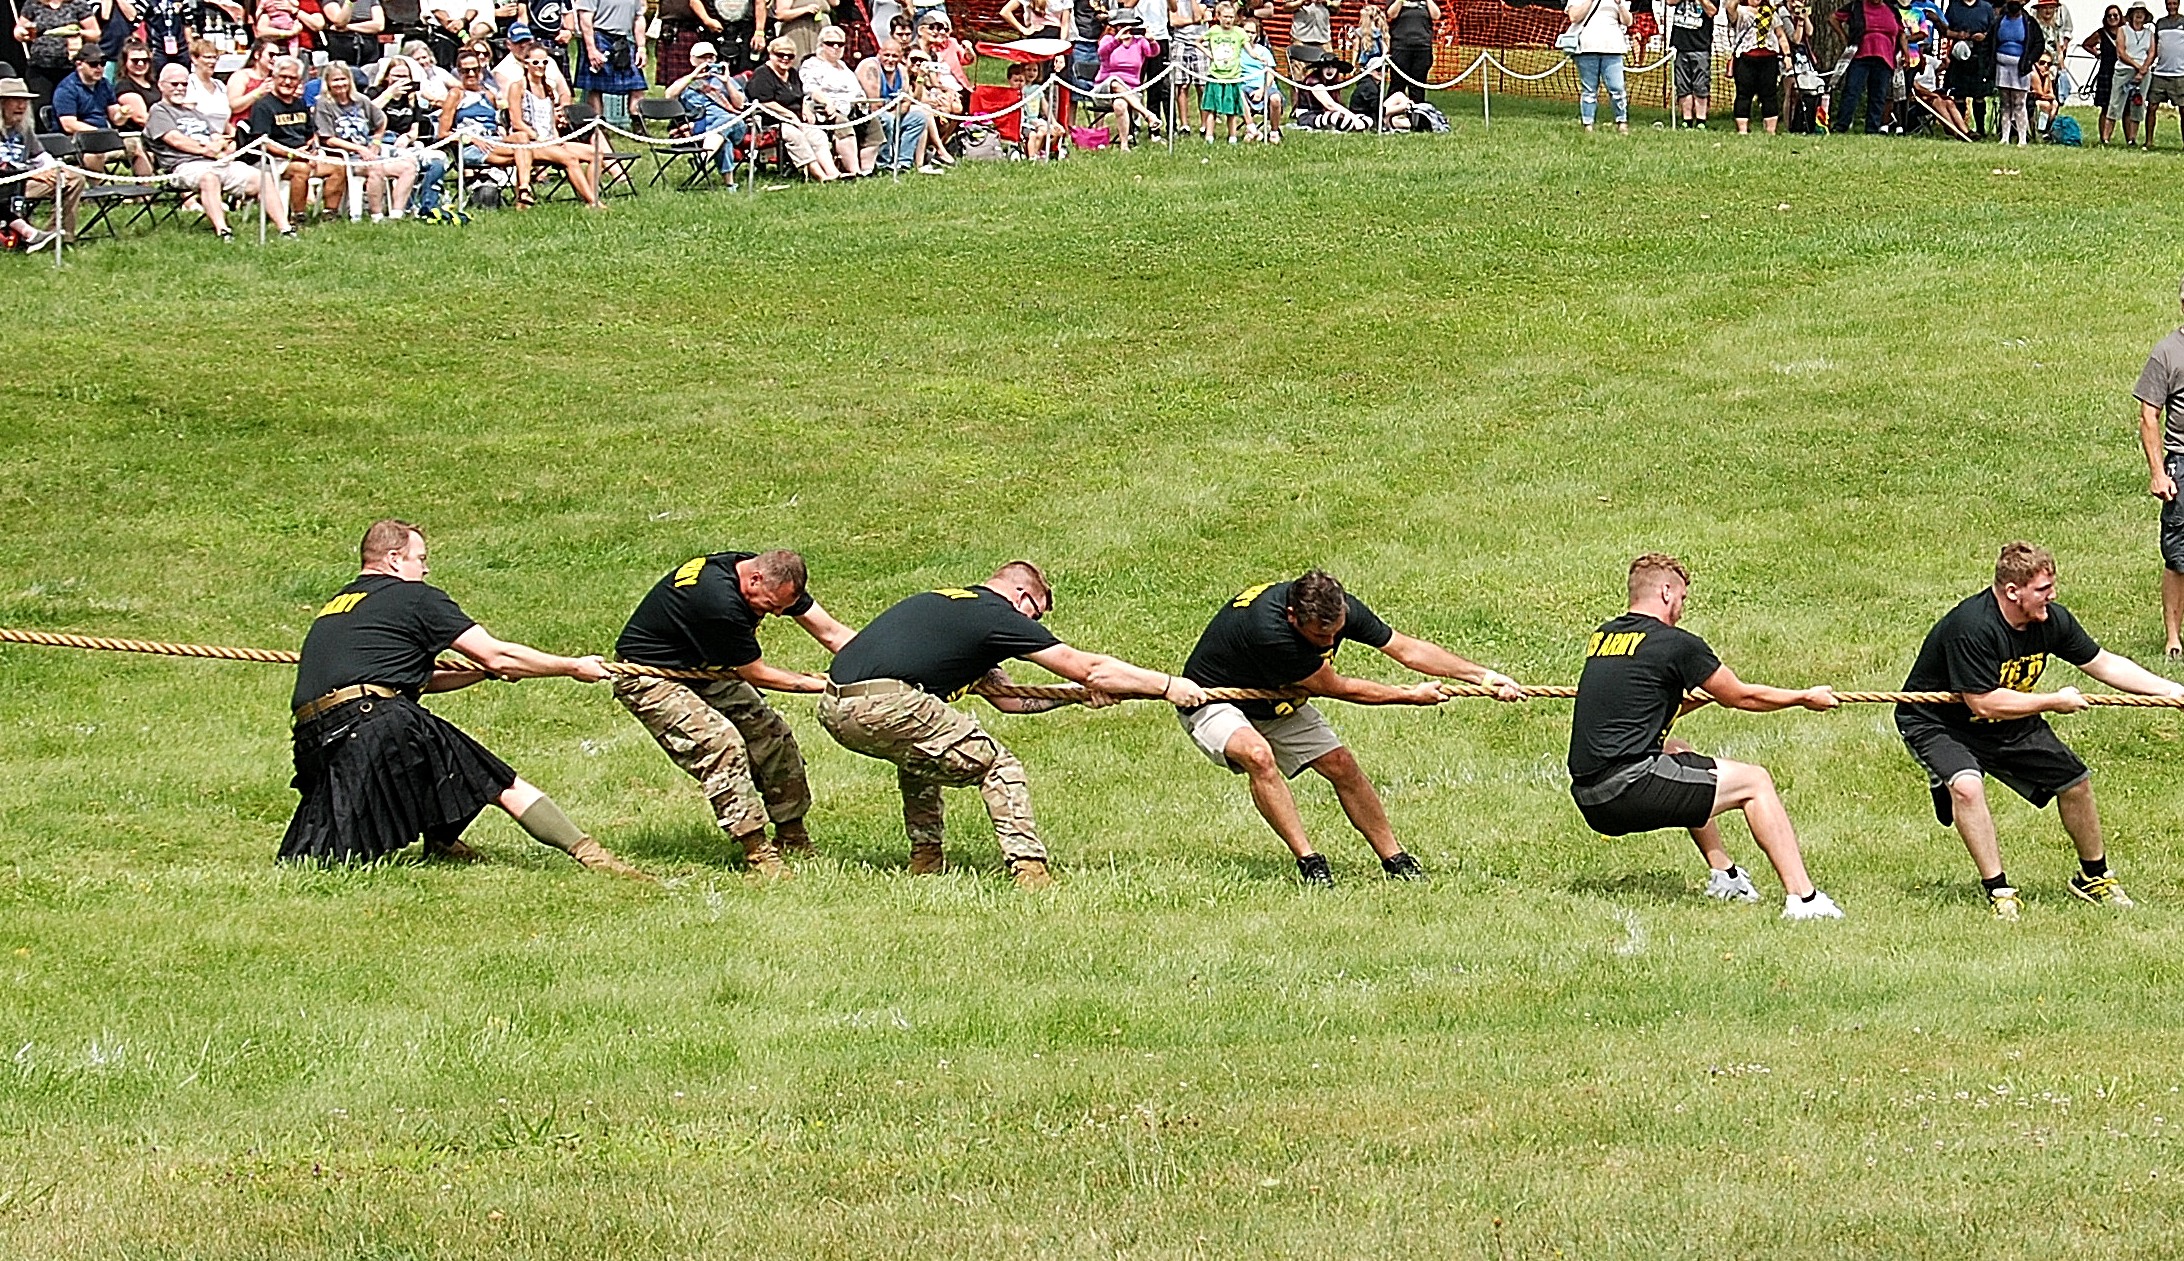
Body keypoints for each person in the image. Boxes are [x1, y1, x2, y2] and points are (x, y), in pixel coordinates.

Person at [282, 520, 644, 876]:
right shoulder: (414, 598)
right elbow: (496, 654)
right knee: (500, 782)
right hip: (372, 722)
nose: (425, 569)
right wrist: (571, 666)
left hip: (316, 736)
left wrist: (480, 674)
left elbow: (411, 682)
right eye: (420, 558)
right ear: (394, 559)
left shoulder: (340, 605)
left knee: (322, 854)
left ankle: (442, 844)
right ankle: (592, 856)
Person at [818, 561, 1209, 886]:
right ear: (1022, 597)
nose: (1033, 623)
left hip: (837, 708)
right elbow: (1088, 668)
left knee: (923, 757)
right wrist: (1167, 685)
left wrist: (1075, 695)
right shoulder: (995, 616)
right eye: (1035, 614)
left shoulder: (943, 603)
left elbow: (1011, 699)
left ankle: (926, 859)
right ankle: (1029, 869)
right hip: (890, 704)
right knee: (998, 766)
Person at [1178, 571, 1523, 887]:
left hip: (1275, 698)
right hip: (1212, 699)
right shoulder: (1271, 632)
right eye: (1319, 636)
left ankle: (1395, 858)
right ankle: (1310, 862)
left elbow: (1406, 649)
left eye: (1335, 631)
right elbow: (1339, 688)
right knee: (1258, 756)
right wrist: (1408, 695)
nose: (1329, 643)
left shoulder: (1334, 607)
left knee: (1342, 765)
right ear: (1293, 617)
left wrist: (1485, 677)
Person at [1896, 542, 2183, 919]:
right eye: (2043, 589)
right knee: (1966, 786)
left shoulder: (2050, 621)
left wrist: (2172, 690)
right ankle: (1998, 889)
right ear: (2013, 591)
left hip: (2007, 718)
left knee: (2075, 783)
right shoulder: (1972, 627)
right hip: (1938, 721)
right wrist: (2052, 701)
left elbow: (2104, 664)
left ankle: (2092, 877)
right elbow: (1982, 702)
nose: (2053, 595)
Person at [1569, 554, 1844, 920]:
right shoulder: (1676, 644)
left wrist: (1699, 697)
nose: (1681, 608)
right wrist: (1803, 698)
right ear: (1666, 592)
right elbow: (1741, 696)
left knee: (1679, 752)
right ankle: (1804, 900)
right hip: (1627, 792)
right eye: (1682, 598)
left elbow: (1640, 708)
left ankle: (1726, 876)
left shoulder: (1604, 638)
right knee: (1755, 782)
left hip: (1590, 796)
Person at [613, 550, 855, 877]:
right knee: (720, 745)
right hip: (650, 676)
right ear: (753, 580)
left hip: (706, 667)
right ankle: (757, 852)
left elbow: (831, 633)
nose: (776, 614)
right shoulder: (719, 602)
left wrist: (875, 664)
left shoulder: (770, 577)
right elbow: (756, 673)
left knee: (773, 735)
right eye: (769, 606)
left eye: (783, 608)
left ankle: (792, 836)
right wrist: (825, 685)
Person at [146, 58, 259, 238]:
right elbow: (176, 140)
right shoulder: (159, 111)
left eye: (184, 84)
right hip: (184, 166)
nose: (180, 88)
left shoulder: (195, 112)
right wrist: (206, 149)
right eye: (174, 84)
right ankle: (223, 231)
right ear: (161, 85)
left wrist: (222, 144)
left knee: (261, 177)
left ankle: (285, 228)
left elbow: (215, 135)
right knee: (209, 178)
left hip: (214, 160)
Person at [2134, 279, 2184, 659]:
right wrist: (2158, 472)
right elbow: (2149, 415)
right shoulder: (2167, 353)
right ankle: (2173, 639)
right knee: (2179, 557)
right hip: (2182, 464)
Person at [244, 54, 346, 236]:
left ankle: (330, 213)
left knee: (338, 166)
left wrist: (312, 149)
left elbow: (311, 133)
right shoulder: (263, 106)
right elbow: (262, 141)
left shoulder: (299, 103)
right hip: (273, 160)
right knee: (301, 169)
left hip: (304, 155)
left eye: (293, 78)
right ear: (274, 78)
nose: (287, 82)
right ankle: (298, 216)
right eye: (283, 77)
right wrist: (292, 154)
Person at [313, 61, 419, 219]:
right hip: (343, 158)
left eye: (343, 79)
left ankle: (396, 213)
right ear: (327, 83)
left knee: (408, 167)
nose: (340, 84)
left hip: (368, 154)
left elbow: (381, 120)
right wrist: (359, 149)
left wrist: (376, 142)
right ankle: (376, 215)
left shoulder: (360, 100)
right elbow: (327, 139)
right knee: (375, 168)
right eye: (335, 80)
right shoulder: (324, 104)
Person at [508, 40, 602, 205]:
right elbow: (516, 122)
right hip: (530, 143)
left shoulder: (548, 88)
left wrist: (557, 139)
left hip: (551, 140)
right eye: (535, 62)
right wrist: (538, 138)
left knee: (596, 153)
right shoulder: (518, 87)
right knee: (570, 159)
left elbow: (551, 122)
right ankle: (592, 202)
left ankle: (590, 193)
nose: (541, 66)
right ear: (526, 64)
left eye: (545, 62)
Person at [747, 35, 843, 179]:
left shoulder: (792, 73)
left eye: (790, 56)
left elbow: (800, 95)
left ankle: (833, 173)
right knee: (795, 135)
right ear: (771, 54)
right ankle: (819, 175)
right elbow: (764, 101)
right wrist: (789, 115)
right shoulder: (762, 74)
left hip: (796, 120)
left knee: (818, 136)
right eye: (780, 54)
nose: (785, 59)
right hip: (772, 123)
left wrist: (805, 108)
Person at [0, 76, 76, 250]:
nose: (21, 106)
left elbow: (41, 157)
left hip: (24, 184)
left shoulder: (24, 130)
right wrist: (35, 174)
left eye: (24, 101)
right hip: (5, 185)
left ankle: (58, 236)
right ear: (2, 103)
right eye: (16, 101)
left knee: (73, 179)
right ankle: (32, 235)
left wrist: (54, 171)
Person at [55, 48, 152, 174]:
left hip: (106, 136)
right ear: (79, 64)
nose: (99, 68)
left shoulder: (104, 84)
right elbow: (69, 125)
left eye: (103, 63)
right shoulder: (66, 89)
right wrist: (100, 133)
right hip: (78, 140)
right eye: (93, 64)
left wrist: (122, 115)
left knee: (136, 146)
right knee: (94, 155)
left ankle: (144, 192)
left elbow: (116, 120)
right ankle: (99, 191)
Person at [801, 22, 879, 174]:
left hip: (852, 108)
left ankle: (867, 169)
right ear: (821, 45)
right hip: (825, 109)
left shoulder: (843, 67)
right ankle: (854, 171)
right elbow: (810, 89)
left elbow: (857, 91)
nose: (836, 47)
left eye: (840, 44)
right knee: (842, 124)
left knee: (874, 124)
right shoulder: (812, 64)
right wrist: (827, 102)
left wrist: (863, 103)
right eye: (831, 44)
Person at [671, 38, 750, 178]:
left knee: (726, 120)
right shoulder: (686, 82)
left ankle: (702, 159)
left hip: (734, 124)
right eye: (702, 57)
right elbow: (669, 96)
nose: (708, 61)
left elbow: (740, 105)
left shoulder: (727, 80)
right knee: (723, 140)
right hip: (703, 126)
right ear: (692, 60)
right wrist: (694, 76)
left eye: (711, 57)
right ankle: (729, 184)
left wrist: (726, 83)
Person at [13, 0, 102, 108]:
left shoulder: (78, 4)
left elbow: (95, 34)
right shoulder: (33, 3)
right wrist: (21, 33)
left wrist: (77, 32)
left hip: (69, 68)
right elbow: (18, 30)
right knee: (40, 106)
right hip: (40, 67)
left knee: (67, 106)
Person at [1835, 0, 1905, 133]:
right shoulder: (1856, 6)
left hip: (1885, 57)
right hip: (1860, 55)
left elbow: (1901, 32)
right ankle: (1841, 125)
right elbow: (1834, 18)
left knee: (1878, 94)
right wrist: (1843, 38)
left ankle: (1872, 128)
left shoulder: (1892, 9)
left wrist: (1905, 53)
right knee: (1852, 90)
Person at [1097, 7, 1161, 146]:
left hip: (1131, 90)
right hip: (1105, 89)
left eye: (1129, 26)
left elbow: (1154, 53)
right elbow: (1102, 53)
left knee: (1120, 104)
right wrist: (1117, 40)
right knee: (1114, 81)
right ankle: (1147, 114)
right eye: (1122, 26)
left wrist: (1151, 40)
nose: (1126, 29)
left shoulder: (1139, 42)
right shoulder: (1108, 40)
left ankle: (1124, 144)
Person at [1566, 0, 1632, 132]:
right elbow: (1574, 17)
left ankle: (1622, 122)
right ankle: (1588, 124)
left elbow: (1628, 21)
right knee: (1589, 90)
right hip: (1586, 48)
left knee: (1617, 88)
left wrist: (1619, 4)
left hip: (1613, 48)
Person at [573, 0, 646, 116]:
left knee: (637, 87)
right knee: (595, 88)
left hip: (624, 40)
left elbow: (639, 17)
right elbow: (585, 19)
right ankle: (597, 128)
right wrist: (591, 49)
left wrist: (641, 47)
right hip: (598, 37)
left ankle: (639, 126)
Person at [1725, 0, 1786, 132]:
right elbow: (1730, 8)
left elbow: (1780, 34)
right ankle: (1742, 129)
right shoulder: (1741, 12)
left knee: (1769, 94)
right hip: (1746, 56)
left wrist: (1787, 55)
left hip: (1769, 56)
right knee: (1744, 93)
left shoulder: (1770, 12)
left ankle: (1771, 130)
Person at [1989, 0, 2043, 142]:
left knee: (2019, 103)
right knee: (2005, 103)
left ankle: (2022, 138)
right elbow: (1990, 41)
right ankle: (2004, 137)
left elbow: (2039, 43)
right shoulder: (1999, 21)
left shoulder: (2030, 22)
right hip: (2002, 65)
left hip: (2020, 67)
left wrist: (2029, 60)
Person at [1943, 0, 1997, 136]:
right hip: (1959, 54)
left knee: (1979, 95)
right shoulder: (1954, 6)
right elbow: (1945, 30)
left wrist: (1984, 36)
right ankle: (1961, 129)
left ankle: (1980, 129)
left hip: (1980, 54)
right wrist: (1958, 35)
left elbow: (1994, 31)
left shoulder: (1986, 7)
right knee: (1959, 94)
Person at [1666, 0, 1718, 127]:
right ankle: (1687, 120)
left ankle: (1701, 120)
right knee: (1683, 86)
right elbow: (1670, 2)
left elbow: (1712, 11)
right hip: (1680, 45)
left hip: (1700, 46)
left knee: (1700, 85)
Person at [1200, 0, 1245, 140]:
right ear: (1218, 16)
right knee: (1212, 108)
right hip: (1216, 75)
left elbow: (1248, 47)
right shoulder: (1213, 31)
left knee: (1231, 110)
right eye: (1225, 17)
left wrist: (1259, 58)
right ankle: (1209, 135)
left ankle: (1232, 136)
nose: (1228, 20)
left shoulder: (1239, 32)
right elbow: (1197, 42)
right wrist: (1209, 54)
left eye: (1231, 17)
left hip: (1232, 76)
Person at [1289, 45, 1367, 127]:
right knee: (1337, 118)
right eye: (1326, 66)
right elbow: (1329, 105)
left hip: (1325, 113)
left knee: (1366, 119)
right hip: (1309, 115)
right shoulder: (1312, 81)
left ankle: (1351, 124)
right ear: (1320, 68)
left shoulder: (1333, 82)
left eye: (1334, 66)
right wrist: (1353, 117)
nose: (1330, 69)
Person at [2113, 2, 2153, 142]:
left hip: (2143, 72)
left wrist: (2143, 69)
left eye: (2141, 12)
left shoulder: (2149, 34)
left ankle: (2132, 138)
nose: (2139, 14)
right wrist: (2137, 66)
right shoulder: (2123, 30)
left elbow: (2152, 53)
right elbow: (2121, 52)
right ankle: (2106, 138)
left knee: (2137, 104)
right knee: (2115, 103)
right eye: (2136, 12)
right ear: (2131, 14)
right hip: (2124, 68)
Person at [2145, 0, 2184, 145]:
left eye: (2174, 3)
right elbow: (2155, 46)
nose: (2172, 7)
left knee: (2183, 109)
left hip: (2180, 73)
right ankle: (2149, 141)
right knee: (2152, 106)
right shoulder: (2160, 23)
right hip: (2160, 71)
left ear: (2179, 4)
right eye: (2169, 4)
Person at [2084, 4, 2124, 142]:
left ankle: (2129, 137)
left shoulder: (2125, 32)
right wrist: (2097, 54)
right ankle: (2104, 138)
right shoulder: (2101, 33)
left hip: (2122, 71)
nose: (2112, 18)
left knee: (2125, 106)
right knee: (2106, 106)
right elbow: (2087, 44)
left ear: (2120, 17)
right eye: (2109, 16)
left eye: (2115, 15)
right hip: (2106, 71)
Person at [1386, 0, 1438, 104]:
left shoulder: (1425, 3)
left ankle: (1416, 115)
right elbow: (1391, 14)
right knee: (1397, 84)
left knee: (1418, 85)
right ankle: (1391, 114)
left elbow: (1436, 15)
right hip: (1400, 47)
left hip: (1422, 47)